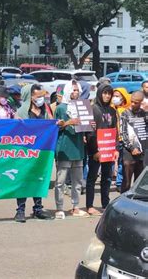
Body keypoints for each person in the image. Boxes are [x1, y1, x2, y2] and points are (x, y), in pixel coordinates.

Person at [14, 84, 53, 223]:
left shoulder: (45, 111)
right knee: (23, 180)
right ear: (29, 97)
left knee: (38, 179)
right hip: (25, 153)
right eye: (38, 96)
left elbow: (50, 126)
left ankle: (38, 209)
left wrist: (57, 124)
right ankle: (20, 210)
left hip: (41, 152)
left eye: (42, 96)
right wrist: (15, 123)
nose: (41, 99)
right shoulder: (21, 113)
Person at [54, 80, 88, 219]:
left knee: (77, 181)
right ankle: (59, 207)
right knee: (60, 181)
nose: (75, 92)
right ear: (68, 91)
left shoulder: (82, 106)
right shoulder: (61, 108)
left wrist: (89, 125)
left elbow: (85, 125)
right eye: (73, 90)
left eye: (77, 90)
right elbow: (56, 126)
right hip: (64, 146)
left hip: (78, 146)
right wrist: (69, 122)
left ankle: (75, 206)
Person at [85, 84, 118, 215]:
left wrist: (115, 148)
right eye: (104, 93)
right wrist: (94, 151)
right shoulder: (93, 109)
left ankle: (105, 204)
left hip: (109, 149)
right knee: (92, 178)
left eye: (109, 93)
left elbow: (114, 131)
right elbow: (90, 133)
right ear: (99, 93)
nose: (107, 96)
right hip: (96, 150)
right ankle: (90, 205)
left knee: (107, 178)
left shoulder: (112, 110)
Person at [120, 91, 147, 192]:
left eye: (136, 102)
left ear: (141, 102)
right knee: (126, 182)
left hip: (142, 152)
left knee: (139, 183)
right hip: (129, 152)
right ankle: (123, 204)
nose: (132, 104)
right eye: (132, 101)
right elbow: (123, 133)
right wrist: (131, 148)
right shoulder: (125, 113)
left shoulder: (144, 114)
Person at [111, 88, 130, 192]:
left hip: (122, 140)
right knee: (110, 162)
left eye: (118, 96)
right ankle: (108, 179)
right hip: (110, 139)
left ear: (123, 98)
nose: (115, 98)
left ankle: (119, 182)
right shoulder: (110, 109)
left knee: (122, 162)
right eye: (114, 95)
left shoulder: (126, 111)